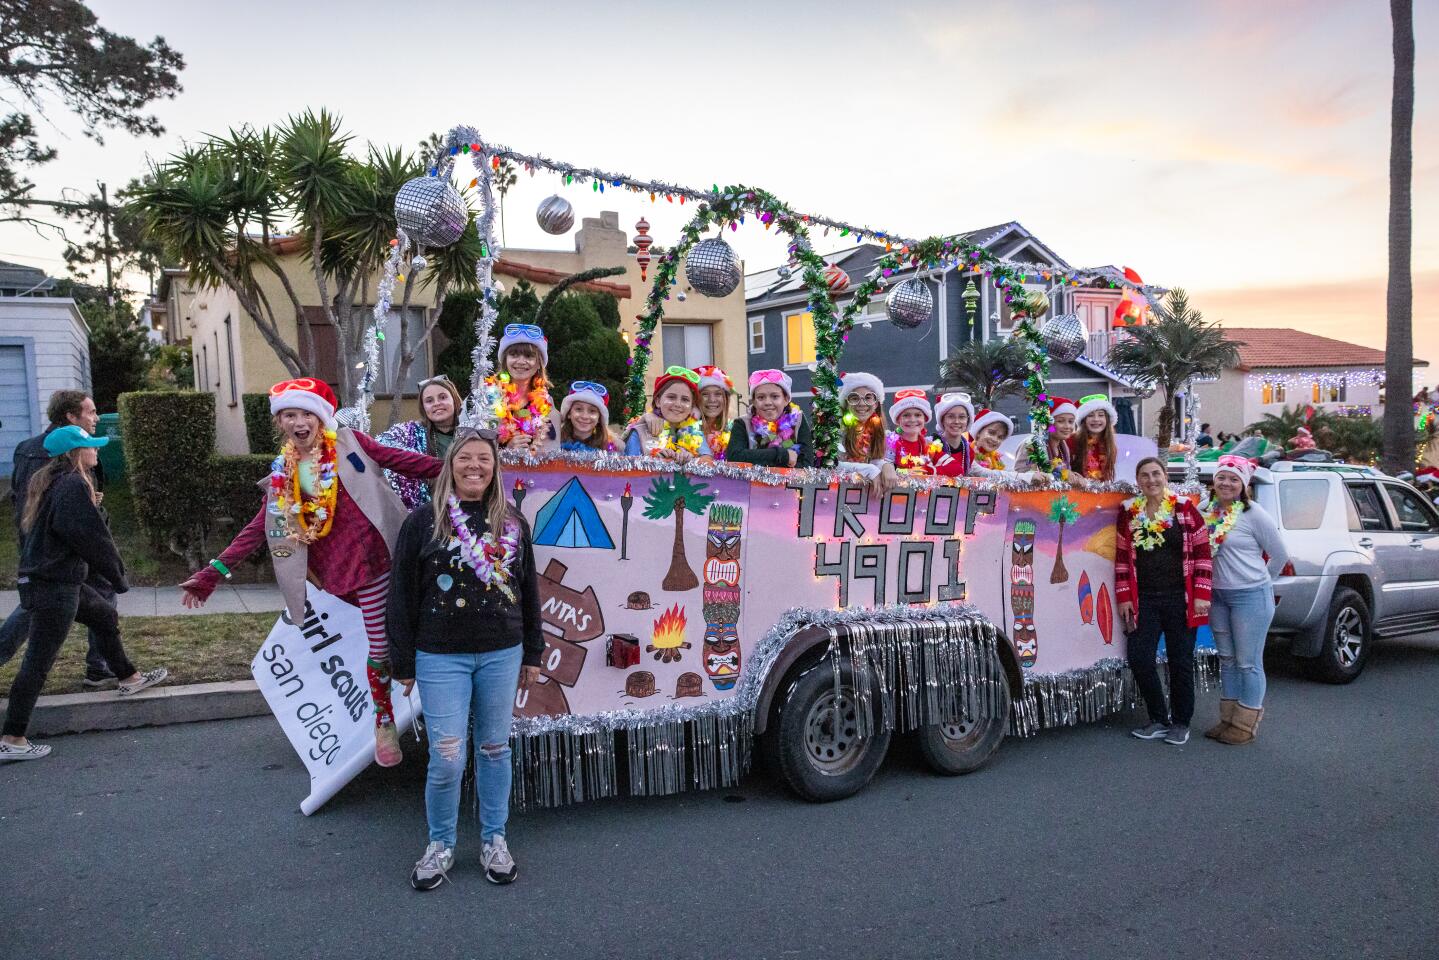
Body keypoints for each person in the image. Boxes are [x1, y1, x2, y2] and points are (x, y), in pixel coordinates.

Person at [179, 378, 441, 767]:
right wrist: (213, 572)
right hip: (344, 572)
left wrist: (463, 468)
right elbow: (260, 527)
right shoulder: (287, 475)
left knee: (414, 626)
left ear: (320, 418)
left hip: (385, 553)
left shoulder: (349, 443)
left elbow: (398, 460)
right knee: (382, 643)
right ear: (280, 423)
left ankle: (428, 702)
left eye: (305, 413)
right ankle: (383, 717)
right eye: (289, 415)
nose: (299, 421)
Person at [388, 428, 542, 889]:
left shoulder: (512, 522)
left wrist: (532, 652)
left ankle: (494, 840)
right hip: (440, 657)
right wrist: (404, 664)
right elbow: (400, 597)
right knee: (448, 757)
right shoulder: (422, 522)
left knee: (495, 750)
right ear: (450, 464)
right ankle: (441, 845)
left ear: (495, 468)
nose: (474, 467)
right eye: (465, 459)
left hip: (502, 652)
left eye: (484, 459)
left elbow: (528, 591)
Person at [0, 426, 167, 762]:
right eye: (91, 446)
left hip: (56, 581)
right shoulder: (73, 485)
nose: (97, 450)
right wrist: (118, 576)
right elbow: (91, 538)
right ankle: (12, 737)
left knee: (104, 616)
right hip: (54, 587)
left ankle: (129, 677)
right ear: (75, 452)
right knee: (37, 664)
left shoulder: (52, 481)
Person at [0, 390, 119, 688]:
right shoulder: (71, 449)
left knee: (44, 607)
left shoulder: (25, 448)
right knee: (88, 597)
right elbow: (73, 504)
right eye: (90, 412)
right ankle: (100, 668)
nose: (96, 418)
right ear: (70, 416)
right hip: (65, 546)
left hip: (36, 543)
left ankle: (106, 667)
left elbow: (19, 496)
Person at [1115, 456, 1212, 746]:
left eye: (1156, 474)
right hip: (1144, 599)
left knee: (1180, 661)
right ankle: (1159, 717)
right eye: (1144, 476)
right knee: (1139, 657)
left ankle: (1181, 722)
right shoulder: (1130, 513)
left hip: (1181, 600)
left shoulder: (1184, 509)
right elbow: (1121, 558)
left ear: (1165, 477)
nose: (1151, 480)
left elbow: (1203, 553)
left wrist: (1202, 596)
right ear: (1138, 481)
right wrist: (1123, 597)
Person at [1203, 455, 1288, 745]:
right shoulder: (1206, 511)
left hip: (1250, 596)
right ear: (1214, 481)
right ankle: (1227, 719)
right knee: (1226, 659)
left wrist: (1260, 580)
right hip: (1217, 595)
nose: (1226, 483)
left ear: (1243, 484)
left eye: (1234, 479)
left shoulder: (1255, 515)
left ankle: (1245, 724)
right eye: (1222, 477)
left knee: (1248, 662)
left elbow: (1280, 555)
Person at [376, 374, 466, 509]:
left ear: (454, 399)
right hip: (430, 510)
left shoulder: (472, 430)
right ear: (423, 407)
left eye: (443, 397)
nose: (437, 403)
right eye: (429, 401)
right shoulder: (411, 431)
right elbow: (382, 442)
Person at [484, 324, 559, 453]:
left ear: (539, 364)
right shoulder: (489, 396)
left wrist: (531, 452)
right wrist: (507, 449)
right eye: (514, 355)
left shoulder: (547, 403)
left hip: (532, 471)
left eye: (529, 356)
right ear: (505, 361)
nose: (521, 361)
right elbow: (478, 445)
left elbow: (552, 451)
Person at [622, 366, 713, 461]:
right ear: (657, 401)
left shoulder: (694, 432)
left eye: (685, 399)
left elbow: (709, 463)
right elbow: (627, 470)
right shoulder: (640, 432)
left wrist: (692, 460)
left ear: (691, 407)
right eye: (671, 397)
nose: (678, 404)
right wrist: (656, 461)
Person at [725, 369, 813, 467]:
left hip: (790, 482)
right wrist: (782, 455)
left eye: (775, 397)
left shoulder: (798, 421)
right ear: (753, 401)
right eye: (761, 397)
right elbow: (734, 456)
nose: (767, 402)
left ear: (786, 399)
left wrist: (758, 458)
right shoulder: (742, 423)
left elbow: (807, 464)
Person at [837, 373, 899, 494]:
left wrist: (886, 466)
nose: (861, 403)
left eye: (868, 397)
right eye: (854, 398)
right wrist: (869, 470)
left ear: (876, 404)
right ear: (846, 403)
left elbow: (874, 460)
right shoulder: (836, 430)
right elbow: (832, 466)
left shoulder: (879, 432)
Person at [886, 390, 941, 475]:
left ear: (925, 419)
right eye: (906, 415)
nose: (912, 420)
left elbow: (956, 468)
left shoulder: (929, 444)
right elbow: (881, 468)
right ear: (898, 419)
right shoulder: (889, 441)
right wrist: (905, 472)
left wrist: (930, 470)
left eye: (918, 415)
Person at [1069, 393, 1118, 483]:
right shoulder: (1071, 441)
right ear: (1084, 420)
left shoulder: (1110, 446)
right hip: (1077, 493)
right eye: (1090, 415)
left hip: (1100, 494)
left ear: (1107, 419)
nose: (1096, 419)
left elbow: (1106, 477)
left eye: (1101, 415)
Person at [558, 382, 616, 453]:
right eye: (578, 409)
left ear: (599, 419)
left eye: (592, 411)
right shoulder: (553, 442)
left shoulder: (610, 450)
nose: (585, 416)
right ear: (569, 414)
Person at [692, 365, 734, 461]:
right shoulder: (685, 428)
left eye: (718, 394)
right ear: (695, 399)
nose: (712, 400)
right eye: (705, 394)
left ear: (725, 399)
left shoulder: (735, 430)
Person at [932, 392, 974, 477]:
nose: (956, 421)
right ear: (942, 420)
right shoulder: (930, 444)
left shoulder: (969, 451)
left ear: (968, 420)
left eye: (962, 417)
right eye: (951, 416)